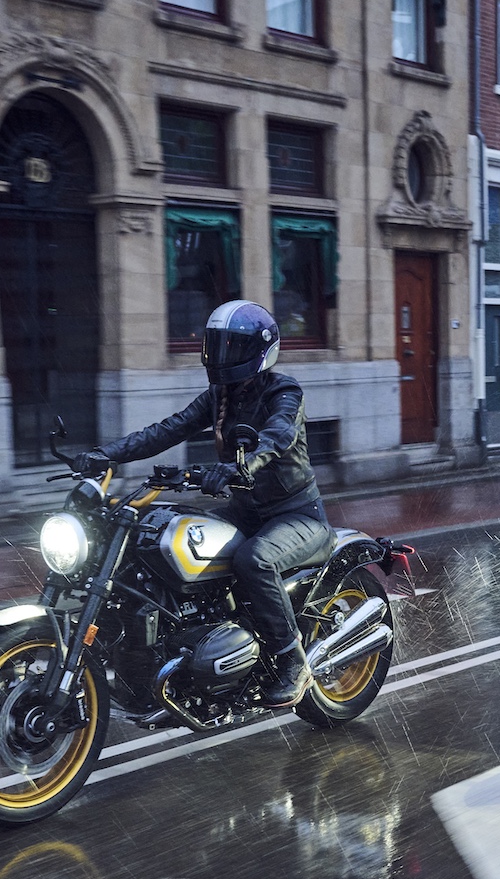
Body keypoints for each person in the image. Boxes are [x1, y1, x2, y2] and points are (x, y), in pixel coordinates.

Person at [70, 301, 329, 707]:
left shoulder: (284, 391)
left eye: (232, 347)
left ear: (258, 350)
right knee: (165, 540)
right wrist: (106, 454)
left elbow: (276, 437)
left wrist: (237, 467)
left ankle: (292, 661)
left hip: (295, 516)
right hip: (245, 512)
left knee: (254, 560)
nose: (222, 356)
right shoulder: (219, 395)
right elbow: (168, 429)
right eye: (218, 346)